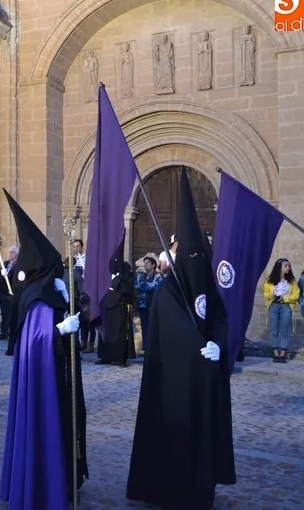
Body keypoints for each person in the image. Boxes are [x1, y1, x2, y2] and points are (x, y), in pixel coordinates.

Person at [127, 168, 235, 509]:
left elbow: (217, 315)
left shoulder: (206, 284)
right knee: (177, 436)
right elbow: (175, 329)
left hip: (206, 379)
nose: (195, 262)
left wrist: (218, 342)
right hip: (176, 383)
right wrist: (196, 348)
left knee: (203, 437)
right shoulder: (168, 290)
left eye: (199, 256)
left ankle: (203, 486)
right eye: (189, 257)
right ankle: (171, 490)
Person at [0, 190, 88, 509]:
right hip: (48, 380)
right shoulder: (36, 295)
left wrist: (69, 307)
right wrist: (59, 330)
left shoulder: (51, 291)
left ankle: (63, 478)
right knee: (46, 426)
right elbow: (36, 341)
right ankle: (43, 484)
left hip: (62, 376)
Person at [262, 258, 299, 363]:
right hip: (274, 305)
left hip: (286, 306)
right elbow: (265, 292)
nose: (288, 268)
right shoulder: (270, 280)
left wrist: (285, 298)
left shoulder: (291, 281)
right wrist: (271, 295)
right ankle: (275, 353)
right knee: (274, 330)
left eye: (288, 266)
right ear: (279, 267)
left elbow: (296, 294)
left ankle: (283, 353)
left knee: (284, 330)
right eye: (285, 266)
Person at [134, 256, 162, 356]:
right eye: (144, 263)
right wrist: (142, 283)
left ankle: (154, 349)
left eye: (147, 263)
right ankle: (145, 348)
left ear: (153, 265)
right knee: (144, 328)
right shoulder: (142, 276)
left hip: (153, 306)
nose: (145, 265)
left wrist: (142, 284)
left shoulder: (157, 276)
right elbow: (137, 286)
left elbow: (152, 286)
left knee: (153, 328)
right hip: (142, 306)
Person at [0, 246, 18, 341]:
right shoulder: (5, 264)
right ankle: (4, 332)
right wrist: (2, 275)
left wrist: (8, 276)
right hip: (3, 292)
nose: (10, 254)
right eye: (9, 252)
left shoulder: (18, 265)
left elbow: (16, 279)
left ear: (17, 254)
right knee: (4, 314)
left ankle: (12, 332)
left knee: (12, 314)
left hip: (12, 293)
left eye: (12, 252)